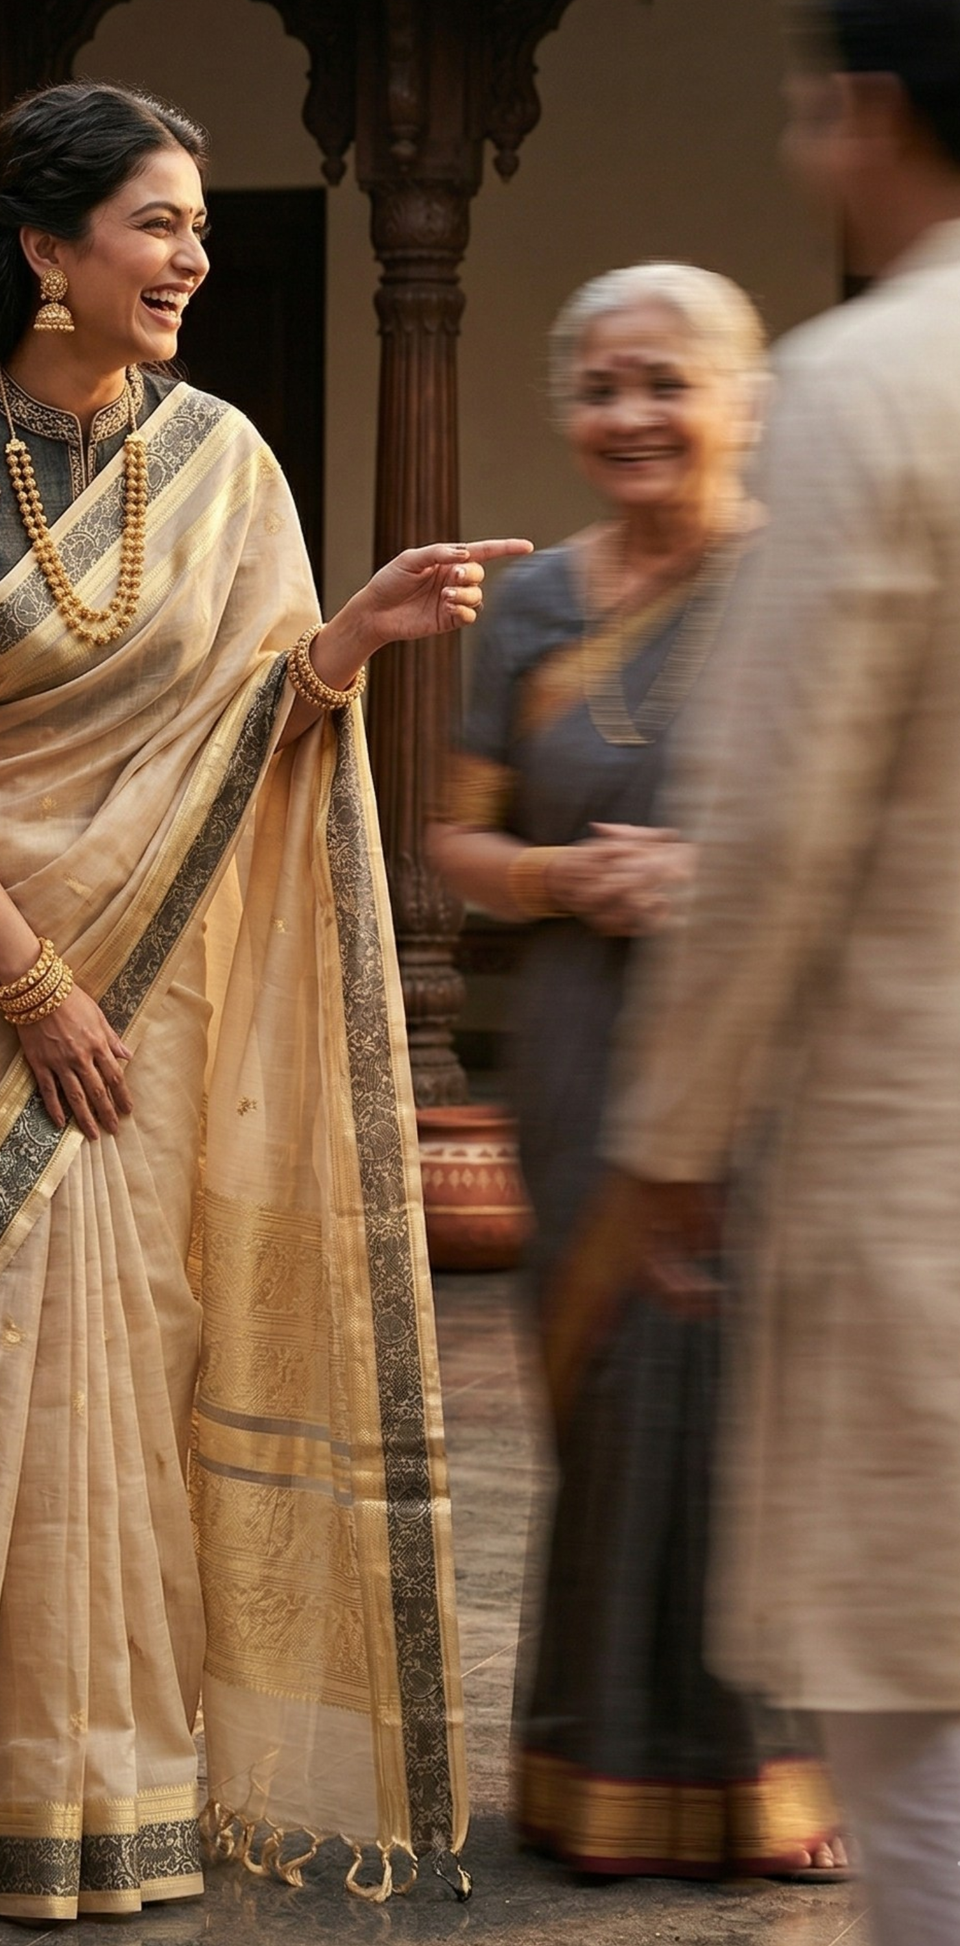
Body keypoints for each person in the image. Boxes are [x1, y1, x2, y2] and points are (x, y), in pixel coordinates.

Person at [0, 80, 528, 1921]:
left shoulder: (218, 461)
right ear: (44, 250)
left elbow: (240, 726)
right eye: (156, 222)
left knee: (126, 1368)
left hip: (141, 1010)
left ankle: (114, 1794)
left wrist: (343, 647)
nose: (193, 256)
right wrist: (30, 981)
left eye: (199, 225)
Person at [606, 5, 960, 1941]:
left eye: (815, 108)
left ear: (875, 110)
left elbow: (769, 825)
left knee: (916, 1748)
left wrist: (672, 1130)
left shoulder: (871, 380)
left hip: (922, 1155)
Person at [428, 264, 842, 1879]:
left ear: (744, 403)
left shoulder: (810, 582)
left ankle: (774, 1779)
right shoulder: (530, 606)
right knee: (606, 1401)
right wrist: (565, 882)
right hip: (585, 1048)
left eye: (667, 382)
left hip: (768, 1047)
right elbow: (456, 841)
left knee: (750, 1403)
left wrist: (731, 878)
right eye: (602, 385)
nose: (631, 416)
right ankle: (591, 1772)